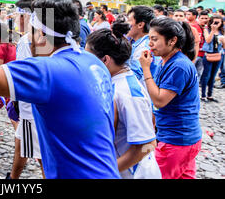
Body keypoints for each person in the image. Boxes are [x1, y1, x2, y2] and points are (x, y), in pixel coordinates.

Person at [0, 0, 120, 179]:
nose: (27, 38)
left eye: (31, 32)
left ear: (41, 35)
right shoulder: (93, 62)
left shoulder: (48, 69)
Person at [85, 23, 161, 179]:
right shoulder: (112, 82)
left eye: (88, 57)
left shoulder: (128, 92)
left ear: (105, 60)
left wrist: (106, 171)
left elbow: (146, 145)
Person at [139, 17, 202, 179]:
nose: (150, 44)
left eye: (155, 39)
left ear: (172, 40)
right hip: (183, 138)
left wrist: (146, 69)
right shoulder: (166, 61)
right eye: (149, 39)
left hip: (177, 140)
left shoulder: (179, 65)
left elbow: (159, 101)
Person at [7, 0, 45, 180]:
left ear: (25, 16)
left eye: (17, 16)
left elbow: (22, 77)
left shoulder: (26, 41)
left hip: (31, 107)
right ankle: (13, 178)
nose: (15, 20)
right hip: (37, 105)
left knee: (40, 156)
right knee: (22, 145)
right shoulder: (46, 37)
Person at [126, 6, 160, 86]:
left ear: (140, 24)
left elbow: (134, 75)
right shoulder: (135, 42)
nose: (126, 24)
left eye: (129, 20)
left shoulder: (145, 47)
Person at [200, 15, 224, 102]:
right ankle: (203, 95)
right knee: (206, 75)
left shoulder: (222, 31)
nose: (216, 24)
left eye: (218, 22)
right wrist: (213, 31)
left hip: (218, 55)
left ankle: (210, 94)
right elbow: (208, 40)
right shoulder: (207, 30)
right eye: (215, 22)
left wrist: (222, 40)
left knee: (213, 76)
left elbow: (224, 46)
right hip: (208, 55)